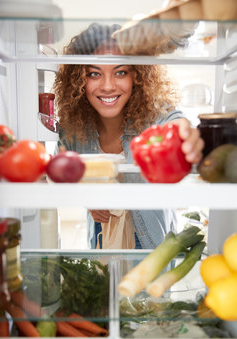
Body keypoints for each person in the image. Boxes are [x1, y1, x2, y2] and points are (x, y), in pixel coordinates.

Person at [53, 23, 204, 250]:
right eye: (94, 74)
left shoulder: (156, 116)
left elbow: (176, 122)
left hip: (154, 255)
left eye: (120, 72)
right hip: (102, 249)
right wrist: (87, 199)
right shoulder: (73, 130)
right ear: (78, 80)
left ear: (138, 75)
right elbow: (64, 177)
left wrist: (185, 134)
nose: (107, 86)